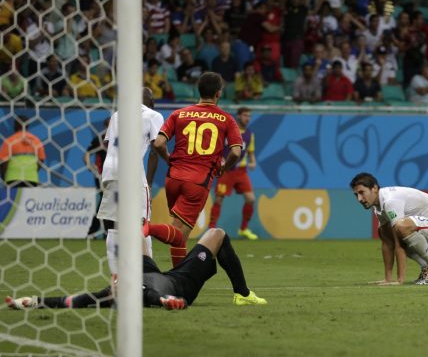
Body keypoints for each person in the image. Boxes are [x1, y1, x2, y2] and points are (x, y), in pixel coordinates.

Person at [5, 228, 267, 310]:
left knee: (134, 232)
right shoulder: (138, 293)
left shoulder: (108, 293)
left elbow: (70, 301)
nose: (114, 281)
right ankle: (243, 294)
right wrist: (169, 301)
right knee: (217, 234)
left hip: (150, 274)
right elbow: (157, 298)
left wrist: (32, 301)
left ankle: (144, 225)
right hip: (178, 284)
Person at [153, 72, 244, 265]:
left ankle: (178, 282)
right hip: (197, 182)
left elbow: (159, 143)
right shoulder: (226, 119)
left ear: (198, 90)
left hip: (173, 178)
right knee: (177, 233)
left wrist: (169, 159)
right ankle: (143, 230)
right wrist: (224, 168)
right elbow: (236, 152)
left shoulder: (179, 114)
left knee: (180, 238)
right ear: (218, 93)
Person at [97, 88, 175, 276]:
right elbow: (158, 146)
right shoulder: (153, 115)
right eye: (153, 97)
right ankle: (147, 275)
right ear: (146, 99)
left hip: (110, 171)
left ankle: (117, 277)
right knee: (142, 224)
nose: (155, 100)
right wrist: (172, 162)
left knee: (113, 226)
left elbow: (108, 144)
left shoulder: (117, 114)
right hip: (132, 173)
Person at [350, 173, 428, 285]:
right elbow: (387, 242)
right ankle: (426, 267)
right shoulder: (378, 205)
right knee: (384, 232)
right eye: (356, 195)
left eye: (362, 193)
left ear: (375, 188)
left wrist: (400, 280)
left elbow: (399, 242)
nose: (359, 199)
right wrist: (388, 279)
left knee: (401, 228)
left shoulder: (390, 201)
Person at [209, 107, 259, 240]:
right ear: (238, 116)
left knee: (251, 199)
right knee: (219, 199)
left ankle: (243, 229)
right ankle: (211, 228)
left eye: (249, 116)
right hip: (226, 171)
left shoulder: (250, 134)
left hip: (241, 171)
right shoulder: (228, 131)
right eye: (245, 115)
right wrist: (221, 159)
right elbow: (217, 148)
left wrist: (253, 162)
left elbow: (250, 152)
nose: (247, 118)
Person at [0, 115, 45, 187]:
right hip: (31, 178)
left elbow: (3, 162)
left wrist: (3, 177)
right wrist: (32, 171)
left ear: (15, 126)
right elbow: (41, 160)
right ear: (27, 126)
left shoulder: (10, 141)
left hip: (13, 178)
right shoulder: (36, 140)